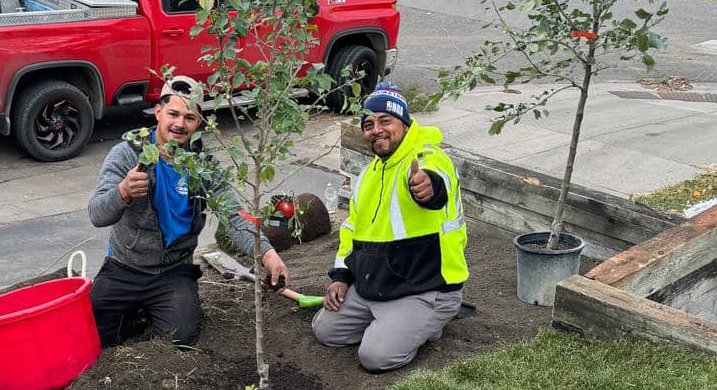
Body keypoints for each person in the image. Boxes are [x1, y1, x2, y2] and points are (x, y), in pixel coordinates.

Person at [87, 75, 288, 347]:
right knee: (92, 331)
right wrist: (122, 192)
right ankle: (134, 309)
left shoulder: (203, 165)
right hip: (125, 267)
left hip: (173, 271)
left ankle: (156, 306)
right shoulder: (127, 155)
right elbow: (97, 215)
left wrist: (267, 254)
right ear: (158, 111)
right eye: (173, 114)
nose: (180, 124)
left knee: (180, 339)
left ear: (199, 122)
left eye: (189, 117)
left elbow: (232, 214)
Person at [313, 86, 467, 372]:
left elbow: (436, 183)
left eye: (385, 121)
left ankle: (427, 323)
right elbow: (351, 231)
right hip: (376, 285)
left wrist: (427, 187)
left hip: (424, 287)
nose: (376, 130)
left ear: (405, 125)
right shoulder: (369, 174)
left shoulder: (427, 157)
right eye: (368, 125)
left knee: (375, 357)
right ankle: (394, 324)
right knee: (326, 331)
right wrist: (342, 277)